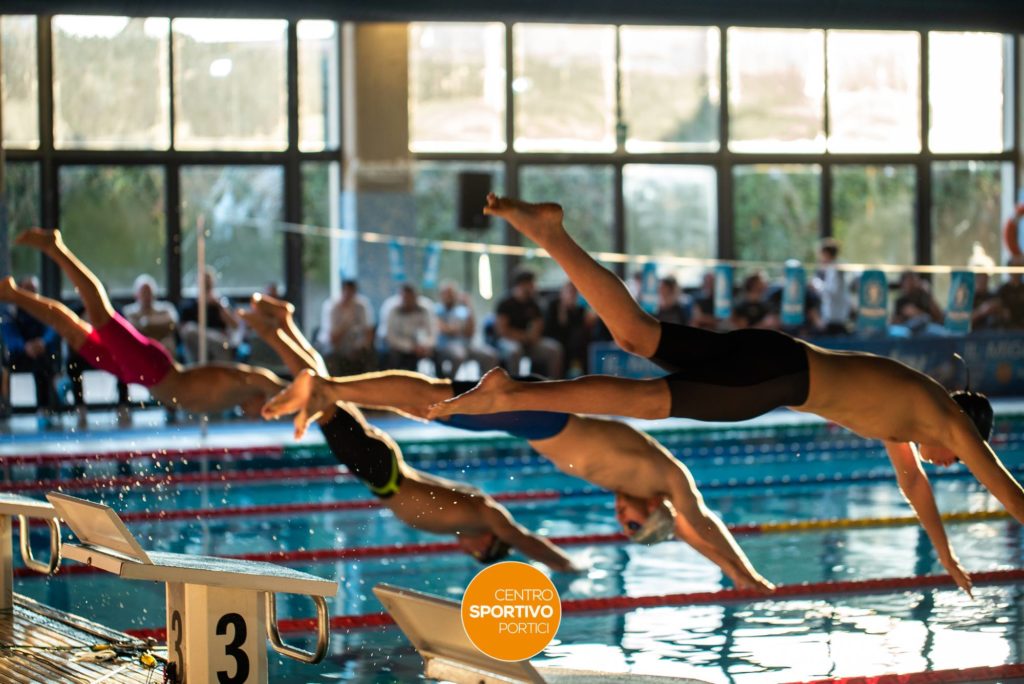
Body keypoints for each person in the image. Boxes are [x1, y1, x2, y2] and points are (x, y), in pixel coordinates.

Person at [428, 195, 1024, 596]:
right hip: (774, 380)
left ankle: (551, 233)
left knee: (634, 334)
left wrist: (943, 554)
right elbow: (1007, 490)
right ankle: (512, 395)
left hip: (772, 353)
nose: (946, 464)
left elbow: (913, 485)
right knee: (642, 403)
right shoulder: (949, 422)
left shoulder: (915, 420)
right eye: (958, 456)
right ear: (970, 429)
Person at [261, 368, 774, 593]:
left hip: (537, 420)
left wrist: (727, 572)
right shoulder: (669, 479)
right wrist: (746, 575)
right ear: (660, 510)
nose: (620, 512)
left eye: (623, 521)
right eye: (631, 517)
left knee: (431, 403)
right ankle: (327, 388)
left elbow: (686, 530)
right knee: (431, 402)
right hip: (548, 417)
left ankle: (328, 390)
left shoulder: (649, 487)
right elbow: (698, 523)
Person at [239, 295, 575, 571]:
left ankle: (283, 324)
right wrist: (567, 565)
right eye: (476, 554)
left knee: (326, 394)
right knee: (321, 398)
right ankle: (276, 333)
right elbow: (523, 538)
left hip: (383, 470)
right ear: (488, 542)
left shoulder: (471, 509)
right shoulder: (487, 516)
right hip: (382, 473)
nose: (468, 551)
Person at [0, 228, 285, 417]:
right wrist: (291, 398)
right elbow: (277, 384)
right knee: (100, 314)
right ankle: (56, 247)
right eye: (266, 411)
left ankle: (12, 294)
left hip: (137, 373)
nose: (263, 415)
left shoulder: (230, 400)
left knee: (72, 332)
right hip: (152, 368)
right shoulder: (244, 382)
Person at [0, 276, 60, 426]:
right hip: (20, 355)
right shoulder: (11, 311)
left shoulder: (45, 309)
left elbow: (53, 328)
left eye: (33, 290)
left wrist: (43, 342)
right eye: (27, 289)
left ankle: (44, 409)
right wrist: (24, 346)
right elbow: (9, 335)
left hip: (40, 353)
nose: (30, 293)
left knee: (43, 366)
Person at [495, 269, 564, 377]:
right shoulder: (505, 303)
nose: (534, 286)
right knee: (515, 351)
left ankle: (551, 384)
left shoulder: (534, 303)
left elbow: (538, 325)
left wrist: (531, 336)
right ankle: (515, 386)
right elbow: (502, 330)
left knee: (554, 349)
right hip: (509, 340)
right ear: (522, 284)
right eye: (531, 283)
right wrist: (523, 336)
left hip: (529, 342)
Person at [434, 280, 498, 378]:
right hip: (446, 346)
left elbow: (470, 332)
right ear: (441, 295)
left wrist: (469, 305)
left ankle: (483, 383)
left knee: (490, 355)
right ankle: (449, 382)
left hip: (467, 344)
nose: (450, 296)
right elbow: (445, 329)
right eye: (447, 293)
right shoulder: (436, 310)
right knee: (459, 354)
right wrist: (458, 329)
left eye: (452, 293)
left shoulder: (462, 311)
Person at [316, 279, 376, 376]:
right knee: (331, 357)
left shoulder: (361, 306)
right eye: (347, 291)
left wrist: (362, 346)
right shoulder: (332, 307)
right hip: (333, 346)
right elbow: (333, 339)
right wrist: (346, 323)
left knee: (368, 355)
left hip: (355, 345)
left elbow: (368, 330)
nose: (349, 295)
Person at [179, 268, 239, 363]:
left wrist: (218, 305)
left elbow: (235, 325)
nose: (206, 286)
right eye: (204, 283)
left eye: (208, 284)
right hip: (197, 343)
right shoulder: (189, 305)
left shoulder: (222, 302)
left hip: (218, 340)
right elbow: (183, 331)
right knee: (190, 331)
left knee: (224, 344)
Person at [543, 281, 594, 376]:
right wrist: (563, 309)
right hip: (555, 337)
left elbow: (583, 326)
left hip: (573, 342)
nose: (571, 295)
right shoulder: (553, 305)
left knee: (582, 343)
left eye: (574, 292)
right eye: (569, 292)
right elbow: (556, 326)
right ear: (562, 292)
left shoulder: (579, 309)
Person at [384, 284, 436, 371]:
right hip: (401, 347)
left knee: (436, 354)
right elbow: (392, 337)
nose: (408, 300)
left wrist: (424, 346)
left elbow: (432, 333)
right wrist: (411, 347)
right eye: (405, 297)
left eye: (410, 297)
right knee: (392, 356)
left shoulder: (424, 310)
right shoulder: (393, 311)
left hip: (421, 347)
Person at [816, 238, 851, 335]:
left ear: (826, 254)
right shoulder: (833, 268)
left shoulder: (836, 269)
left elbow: (832, 292)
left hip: (836, 317)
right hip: (835, 315)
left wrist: (816, 285)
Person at [997, 255, 1024, 329]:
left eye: (1019, 267)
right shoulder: (1002, 290)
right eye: (1014, 267)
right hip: (1006, 330)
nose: (1016, 271)